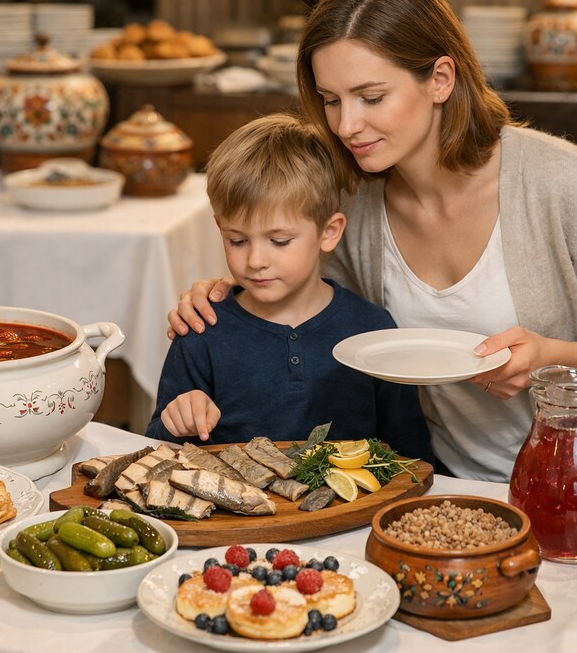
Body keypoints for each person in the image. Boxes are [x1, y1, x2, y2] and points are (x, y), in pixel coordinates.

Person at [166, 0, 577, 481]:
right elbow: (304, 296)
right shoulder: (355, 200)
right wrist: (226, 297)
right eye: (330, 100)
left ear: (440, 79)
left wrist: (555, 359)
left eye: (371, 98)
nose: (345, 125)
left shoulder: (558, 180)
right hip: (441, 481)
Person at [145, 113, 433, 463]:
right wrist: (176, 422)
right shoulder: (201, 331)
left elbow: (410, 453)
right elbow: (157, 447)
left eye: (279, 241)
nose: (255, 260)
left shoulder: (373, 328)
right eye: (237, 240)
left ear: (329, 232)